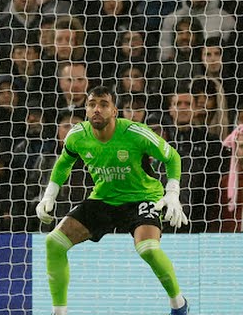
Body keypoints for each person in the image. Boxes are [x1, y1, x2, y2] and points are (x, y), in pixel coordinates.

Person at [35, 86, 190, 315]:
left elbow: (172, 157)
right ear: (86, 110)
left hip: (142, 197)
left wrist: (173, 193)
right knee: (53, 243)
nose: (97, 109)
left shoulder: (135, 133)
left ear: (115, 111)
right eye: (92, 104)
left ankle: (179, 304)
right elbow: (63, 162)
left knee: (147, 248)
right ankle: (59, 312)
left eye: (104, 104)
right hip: (104, 199)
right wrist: (49, 195)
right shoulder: (78, 135)